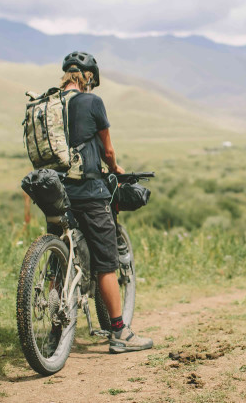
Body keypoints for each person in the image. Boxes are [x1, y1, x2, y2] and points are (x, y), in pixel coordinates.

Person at [51, 51, 153, 354]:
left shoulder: (49, 104)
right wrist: (116, 168)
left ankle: (55, 327)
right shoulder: (91, 102)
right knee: (106, 263)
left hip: (54, 190)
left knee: (61, 257)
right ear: (89, 78)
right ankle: (119, 332)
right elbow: (108, 152)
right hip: (89, 192)